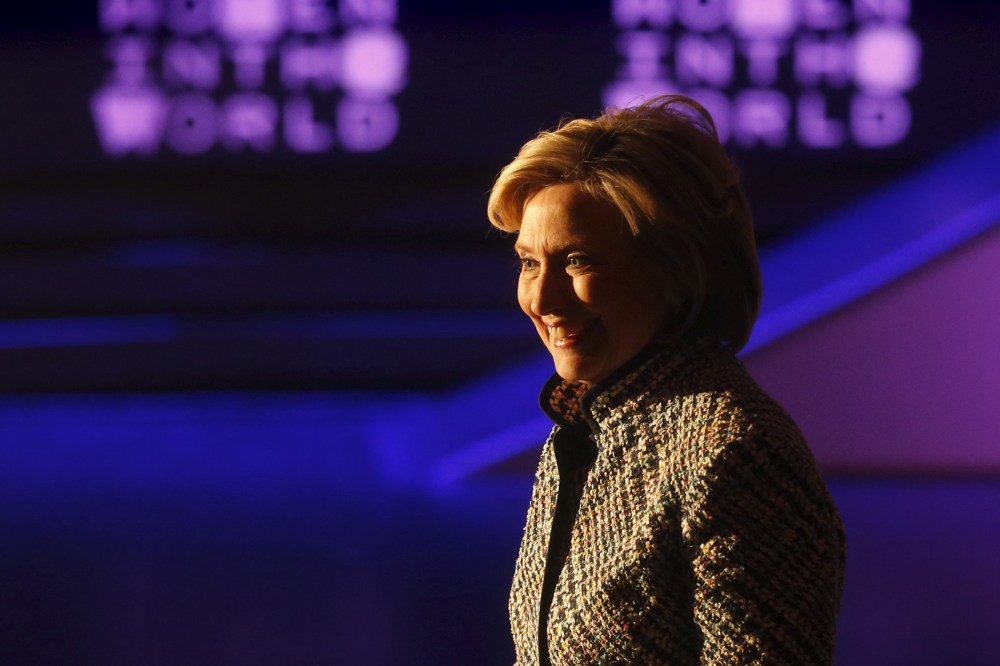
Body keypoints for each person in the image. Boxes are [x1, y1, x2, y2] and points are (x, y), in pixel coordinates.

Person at [487, 95, 845, 665]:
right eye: (530, 262)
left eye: (578, 260)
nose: (542, 298)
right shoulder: (585, 428)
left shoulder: (734, 450)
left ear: (677, 273)